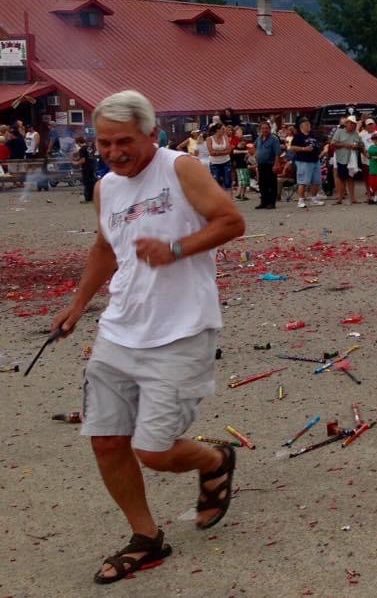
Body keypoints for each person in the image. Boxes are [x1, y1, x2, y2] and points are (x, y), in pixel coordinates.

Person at [49, 90, 245, 584]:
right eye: (104, 143)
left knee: (154, 451)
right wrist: (77, 305)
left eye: (124, 142)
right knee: (107, 441)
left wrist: (176, 248)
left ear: (151, 135)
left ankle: (215, 459)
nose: (114, 152)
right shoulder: (105, 188)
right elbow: (104, 247)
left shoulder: (180, 169)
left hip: (182, 330)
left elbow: (232, 221)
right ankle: (146, 538)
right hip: (120, 330)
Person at [288, 118, 324, 209]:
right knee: (303, 181)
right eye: (306, 124)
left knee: (316, 181)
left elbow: (318, 144)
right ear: (301, 126)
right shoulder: (298, 136)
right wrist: (304, 149)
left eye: (309, 124)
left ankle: (314, 199)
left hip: (315, 160)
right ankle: (301, 200)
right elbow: (292, 147)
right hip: (303, 161)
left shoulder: (313, 135)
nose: (309, 126)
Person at [330, 115, 362, 204]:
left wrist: (357, 146)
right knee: (341, 178)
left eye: (354, 124)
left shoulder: (355, 133)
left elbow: (361, 144)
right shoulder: (339, 132)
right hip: (342, 157)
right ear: (346, 123)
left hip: (352, 159)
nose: (353, 125)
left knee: (351, 178)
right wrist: (345, 145)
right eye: (351, 123)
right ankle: (340, 198)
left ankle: (353, 199)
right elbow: (332, 143)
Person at [254, 120, 281, 209]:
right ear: (260, 129)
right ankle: (263, 202)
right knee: (262, 184)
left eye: (266, 128)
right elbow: (255, 147)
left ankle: (271, 203)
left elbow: (277, 153)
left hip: (271, 164)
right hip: (261, 164)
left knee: (271, 184)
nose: (264, 130)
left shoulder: (274, 139)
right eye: (263, 128)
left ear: (269, 129)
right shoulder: (259, 138)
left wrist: (276, 164)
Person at [206, 124, 231, 192]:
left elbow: (229, 150)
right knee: (216, 182)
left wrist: (217, 152)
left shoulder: (225, 137)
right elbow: (211, 152)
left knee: (227, 182)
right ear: (217, 130)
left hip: (226, 161)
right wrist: (223, 152)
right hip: (214, 163)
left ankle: (229, 200)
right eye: (223, 129)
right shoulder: (209, 139)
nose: (224, 130)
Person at [73, 134, 97, 202]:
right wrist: (75, 158)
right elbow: (87, 157)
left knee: (87, 183)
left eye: (77, 143)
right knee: (92, 182)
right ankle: (93, 197)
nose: (77, 145)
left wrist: (76, 163)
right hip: (92, 167)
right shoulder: (89, 147)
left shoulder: (82, 149)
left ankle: (88, 198)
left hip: (86, 168)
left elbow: (83, 160)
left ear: (78, 142)